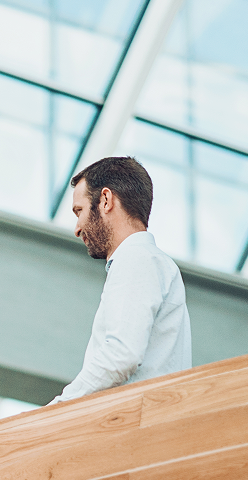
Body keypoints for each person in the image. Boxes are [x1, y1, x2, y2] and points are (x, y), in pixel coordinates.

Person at [51, 156, 191, 403]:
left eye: (79, 211)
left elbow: (121, 354)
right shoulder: (147, 262)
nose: (77, 228)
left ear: (105, 200)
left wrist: (57, 408)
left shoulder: (137, 259)